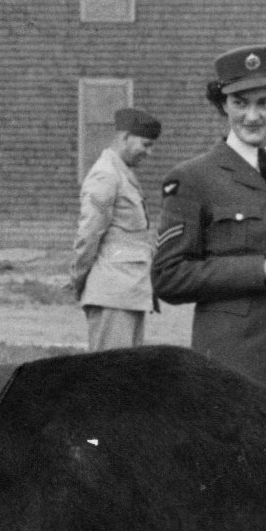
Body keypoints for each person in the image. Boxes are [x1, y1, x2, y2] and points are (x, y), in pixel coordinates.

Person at [153, 45, 266, 447]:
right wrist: (263, 270)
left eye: (264, 103)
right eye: (239, 102)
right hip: (234, 373)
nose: (252, 116)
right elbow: (168, 276)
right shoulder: (193, 179)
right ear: (223, 105)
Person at [70, 108, 162, 350]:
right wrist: (79, 279)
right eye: (145, 144)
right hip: (112, 294)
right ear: (125, 137)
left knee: (126, 377)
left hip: (128, 293)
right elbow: (89, 235)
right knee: (109, 377)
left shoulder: (122, 174)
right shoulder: (106, 175)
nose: (149, 153)